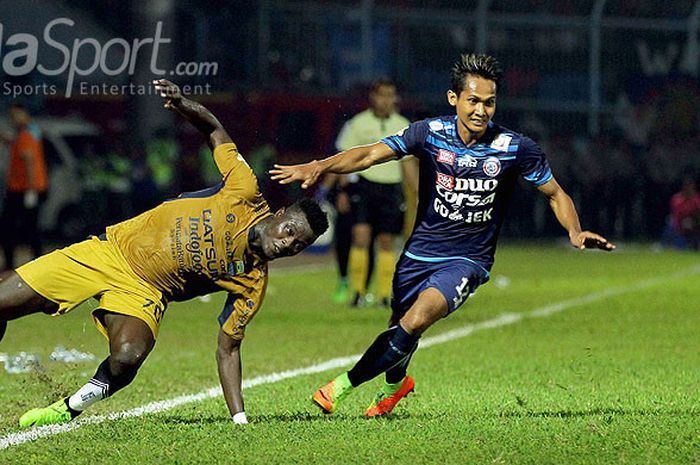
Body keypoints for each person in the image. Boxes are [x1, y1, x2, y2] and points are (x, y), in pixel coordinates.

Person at [270, 53, 614, 417]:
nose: (481, 110)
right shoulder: (429, 134)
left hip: (467, 260)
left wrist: (574, 232)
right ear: (454, 99)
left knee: (416, 320)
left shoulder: (515, 148)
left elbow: (556, 193)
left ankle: (340, 387)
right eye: (473, 100)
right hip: (418, 255)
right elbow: (370, 154)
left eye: (489, 102)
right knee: (402, 330)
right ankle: (395, 386)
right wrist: (320, 165)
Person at [0, 79, 328, 427]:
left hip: (144, 293)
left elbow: (228, 349)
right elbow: (214, 129)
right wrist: (184, 104)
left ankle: (67, 408)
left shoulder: (252, 283)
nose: (287, 244)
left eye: (298, 246)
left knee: (128, 357)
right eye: (290, 232)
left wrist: (239, 419)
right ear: (279, 215)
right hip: (108, 252)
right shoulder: (244, 190)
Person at [333, 78, 415, 307]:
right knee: (360, 238)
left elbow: (408, 164)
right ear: (373, 97)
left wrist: (418, 193)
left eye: (390, 95)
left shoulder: (402, 124)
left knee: (387, 241)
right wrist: (342, 190)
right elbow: (345, 159)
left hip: (391, 189)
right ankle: (357, 293)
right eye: (382, 95)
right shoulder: (358, 124)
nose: (386, 100)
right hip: (365, 186)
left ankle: (383, 296)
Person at [0, 103, 49, 271]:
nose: (13, 119)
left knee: (9, 227)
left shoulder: (26, 135)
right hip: (29, 188)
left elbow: (29, 161)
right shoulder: (30, 131)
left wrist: (30, 190)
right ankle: (39, 264)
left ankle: (9, 266)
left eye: (15, 115)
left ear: (24, 114)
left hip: (22, 189)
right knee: (31, 227)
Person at [667, 177, 700, 250]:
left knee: (692, 222)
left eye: (691, 188)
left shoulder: (696, 199)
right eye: (687, 187)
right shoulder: (676, 198)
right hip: (679, 222)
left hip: (694, 222)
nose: (689, 190)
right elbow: (676, 213)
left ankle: (694, 243)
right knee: (673, 222)